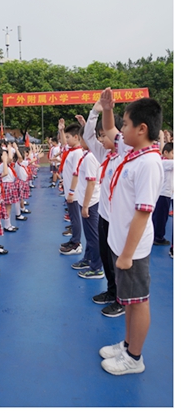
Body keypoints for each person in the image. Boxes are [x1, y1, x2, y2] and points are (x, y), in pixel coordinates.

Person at [99, 88, 164, 375]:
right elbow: (109, 129)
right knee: (128, 301)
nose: (120, 129)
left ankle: (134, 357)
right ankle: (127, 344)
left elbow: (143, 212)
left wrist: (126, 254)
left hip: (132, 248)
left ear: (142, 129)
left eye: (125, 124)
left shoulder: (149, 163)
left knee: (138, 303)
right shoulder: (132, 151)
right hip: (121, 242)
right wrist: (108, 109)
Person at [82, 101, 126, 317]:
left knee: (118, 260)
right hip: (104, 215)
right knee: (106, 256)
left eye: (104, 135)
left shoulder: (125, 157)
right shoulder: (105, 156)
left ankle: (122, 299)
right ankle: (111, 291)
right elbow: (88, 136)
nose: (100, 139)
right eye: (100, 135)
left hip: (119, 220)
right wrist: (94, 112)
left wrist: (107, 113)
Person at [69, 120, 103, 279]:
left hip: (91, 202)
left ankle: (96, 268)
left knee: (93, 236)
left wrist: (85, 206)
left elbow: (91, 183)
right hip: (89, 200)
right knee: (90, 235)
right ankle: (89, 258)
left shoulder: (90, 158)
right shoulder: (89, 155)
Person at [59, 120, 85, 255]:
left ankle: (76, 243)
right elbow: (64, 143)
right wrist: (61, 130)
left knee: (75, 218)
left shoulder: (77, 153)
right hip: (69, 190)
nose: (66, 140)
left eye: (68, 137)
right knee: (73, 217)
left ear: (76, 137)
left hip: (73, 192)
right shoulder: (71, 150)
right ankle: (74, 239)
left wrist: (71, 192)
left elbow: (76, 173)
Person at [152, 135, 173, 246]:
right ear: (165, 153)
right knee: (161, 217)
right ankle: (158, 237)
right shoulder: (167, 163)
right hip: (164, 194)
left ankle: (156, 235)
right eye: (173, 153)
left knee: (158, 216)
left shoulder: (163, 160)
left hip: (162, 193)